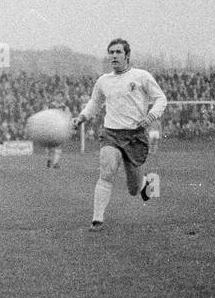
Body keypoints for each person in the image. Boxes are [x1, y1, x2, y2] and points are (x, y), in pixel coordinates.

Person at [66, 39, 167, 228]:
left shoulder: (141, 76)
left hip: (135, 135)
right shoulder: (103, 81)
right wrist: (81, 117)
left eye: (118, 52)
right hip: (111, 133)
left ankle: (144, 183)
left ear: (127, 56)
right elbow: (94, 103)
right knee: (107, 171)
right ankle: (97, 220)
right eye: (111, 52)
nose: (113, 55)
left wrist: (151, 116)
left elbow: (161, 99)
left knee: (133, 189)